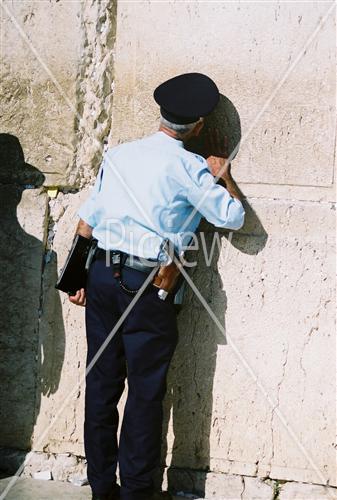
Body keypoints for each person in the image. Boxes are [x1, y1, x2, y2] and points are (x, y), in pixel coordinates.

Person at [69, 73, 245, 500]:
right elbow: (233, 217)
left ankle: (101, 488)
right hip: (148, 285)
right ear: (198, 125)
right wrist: (222, 175)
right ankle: (136, 492)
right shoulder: (188, 167)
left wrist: (75, 279)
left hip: (102, 277)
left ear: (162, 114)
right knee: (145, 391)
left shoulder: (120, 155)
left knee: (102, 383)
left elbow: (88, 218)